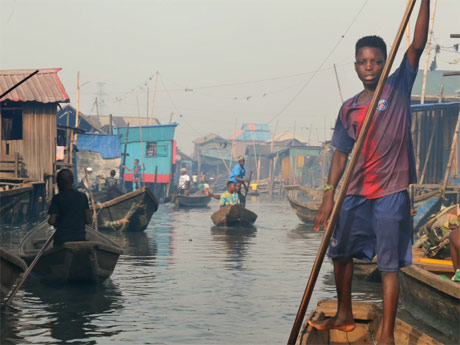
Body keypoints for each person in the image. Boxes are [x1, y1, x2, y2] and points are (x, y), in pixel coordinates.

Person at [310, 3, 429, 344]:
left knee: (389, 266)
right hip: (355, 192)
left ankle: (387, 334)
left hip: (391, 193)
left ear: (386, 62)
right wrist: (328, 195)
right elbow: (340, 153)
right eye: (363, 62)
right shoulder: (349, 108)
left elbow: (417, 44)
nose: (370, 67)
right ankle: (344, 313)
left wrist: (424, 2)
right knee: (340, 252)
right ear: (355, 65)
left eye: (376, 61)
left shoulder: (398, 87)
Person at [48, 169, 91, 246]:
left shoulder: (57, 198)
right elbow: (88, 220)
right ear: (72, 181)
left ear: (60, 183)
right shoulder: (82, 196)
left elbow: (51, 221)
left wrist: (58, 223)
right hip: (80, 238)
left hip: (62, 239)